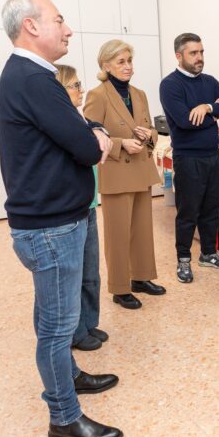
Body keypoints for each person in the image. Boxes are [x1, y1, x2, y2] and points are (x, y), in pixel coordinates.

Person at [0, 0, 122, 437]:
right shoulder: (33, 78)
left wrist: (93, 131)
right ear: (31, 26)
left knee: (52, 317)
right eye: (59, 20)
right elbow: (86, 146)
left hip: (51, 221)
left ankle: (69, 376)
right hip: (50, 228)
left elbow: (81, 129)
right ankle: (64, 419)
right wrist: (97, 138)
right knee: (56, 328)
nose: (68, 30)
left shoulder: (31, 76)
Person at [83, 39, 164, 310]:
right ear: (106, 65)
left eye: (129, 60)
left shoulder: (139, 94)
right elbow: (90, 136)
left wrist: (149, 135)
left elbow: (152, 129)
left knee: (142, 231)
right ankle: (120, 288)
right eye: (121, 62)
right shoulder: (97, 95)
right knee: (117, 235)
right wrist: (121, 144)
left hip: (141, 170)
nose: (128, 66)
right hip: (117, 173)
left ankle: (140, 277)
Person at [160, 33, 219, 283]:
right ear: (179, 55)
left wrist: (208, 108)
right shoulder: (170, 85)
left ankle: (208, 254)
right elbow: (184, 121)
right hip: (188, 158)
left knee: (211, 208)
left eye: (201, 52)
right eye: (193, 53)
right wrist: (213, 117)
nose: (199, 57)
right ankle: (183, 260)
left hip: (212, 156)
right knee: (188, 212)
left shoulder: (210, 81)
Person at [54, 64, 109, 350]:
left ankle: (88, 323)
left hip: (88, 205)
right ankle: (75, 332)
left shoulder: (79, 118)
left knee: (90, 273)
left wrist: (98, 128)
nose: (81, 89)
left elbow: (95, 127)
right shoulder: (59, 122)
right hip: (71, 210)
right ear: (60, 89)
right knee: (74, 277)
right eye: (75, 85)